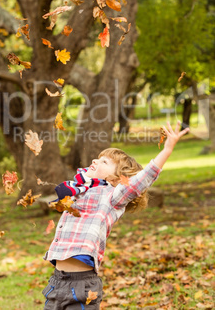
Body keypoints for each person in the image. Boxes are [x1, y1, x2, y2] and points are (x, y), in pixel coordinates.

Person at [42, 121, 189, 309]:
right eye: (97, 158)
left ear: (118, 179)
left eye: (104, 162)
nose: (95, 161)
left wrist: (167, 150)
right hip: (56, 282)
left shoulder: (112, 197)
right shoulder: (80, 191)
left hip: (80, 285)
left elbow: (140, 182)